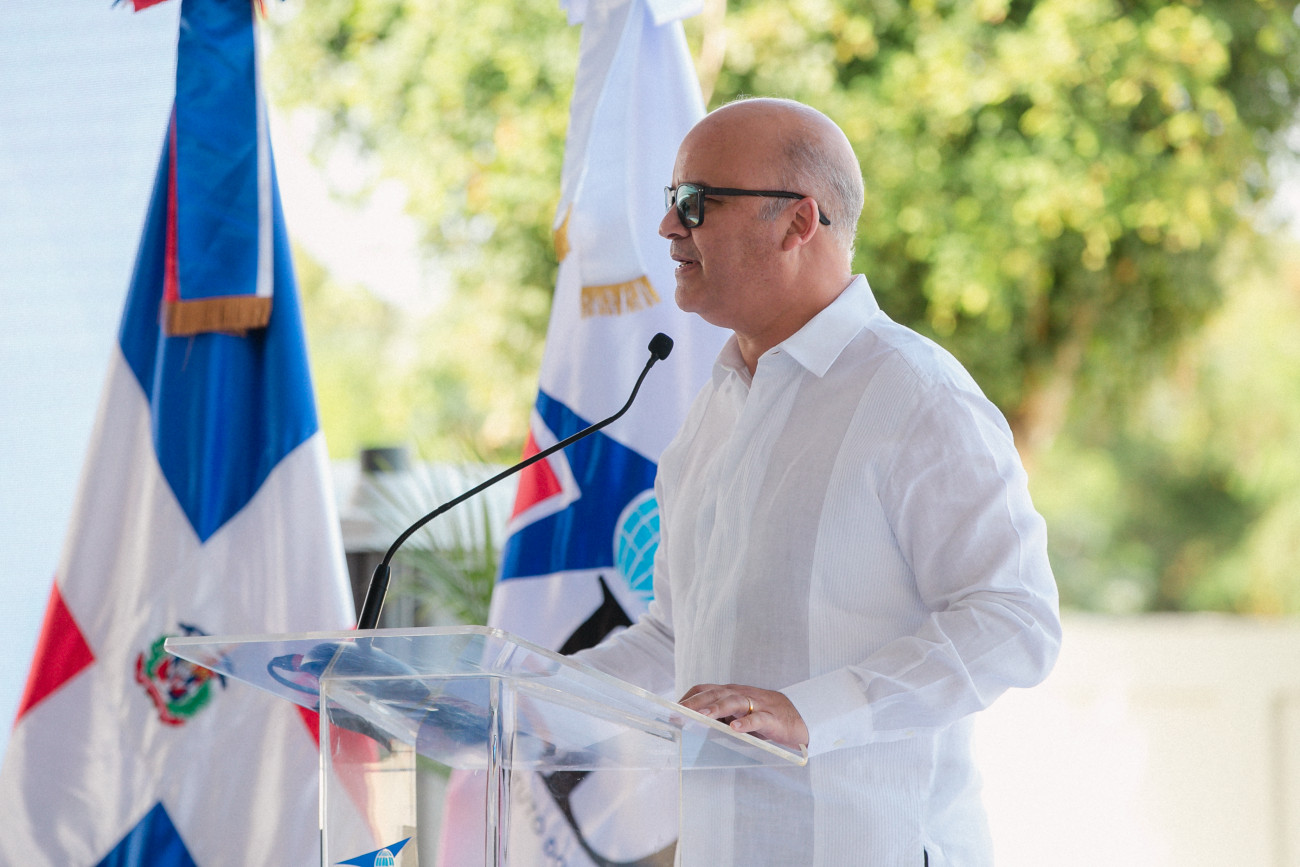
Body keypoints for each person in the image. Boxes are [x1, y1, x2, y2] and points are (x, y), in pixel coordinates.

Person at [573, 97, 1062, 866]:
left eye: (695, 202)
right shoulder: (712, 411)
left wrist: (809, 712)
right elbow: (676, 639)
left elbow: (1014, 619)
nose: (668, 227)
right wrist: (519, 695)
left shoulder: (916, 394)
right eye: (671, 201)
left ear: (798, 221)